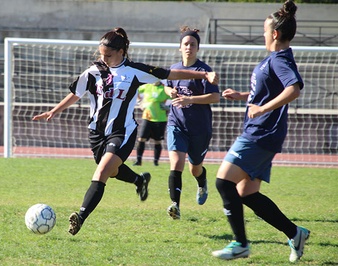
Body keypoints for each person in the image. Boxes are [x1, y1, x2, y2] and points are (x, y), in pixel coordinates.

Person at [32, 27, 219, 236]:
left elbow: (170, 73)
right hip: (96, 133)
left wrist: (203, 74)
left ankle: (80, 217)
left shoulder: (134, 71)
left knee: (102, 172)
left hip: (122, 132)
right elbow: (76, 94)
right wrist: (54, 111)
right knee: (111, 171)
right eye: (101, 54)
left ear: (121, 52)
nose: (104, 58)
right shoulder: (93, 71)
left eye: (108, 55)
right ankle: (139, 180)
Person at [211, 1, 310, 262]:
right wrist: (243, 96)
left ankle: (240, 243)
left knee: (223, 182)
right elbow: (267, 92)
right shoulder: (273, 59)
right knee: (247, 194)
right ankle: (294, 232)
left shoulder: (279, 59)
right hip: (263, 132)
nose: (263, 34)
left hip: (261, 133)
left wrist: (262, 108)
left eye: (265, 30)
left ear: (275, 34)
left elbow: (294, 89)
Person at [164, 26, 220, 220]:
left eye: (192, 44)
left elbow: (214, 97)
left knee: (194, 168)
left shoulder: (204, 71)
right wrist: (169, 92)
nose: (189, 47)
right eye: (185, 44)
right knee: (176, 163)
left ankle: (202, 181)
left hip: (199, 128)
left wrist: (190, 100)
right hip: (176, 123)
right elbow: (166, 86)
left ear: (198, 48)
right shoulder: (173, 69)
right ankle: (175, 206)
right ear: (180, 47)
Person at [133, 81, 170, 166]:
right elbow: (135, 89)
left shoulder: (164, 88)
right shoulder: (147, 86)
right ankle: (138, 161)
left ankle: (156, 162)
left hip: (160, 119)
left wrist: (168, 106)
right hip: (147, 117)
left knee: (157, 141)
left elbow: (174, 96)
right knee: (141, 138)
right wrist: (140, 102)